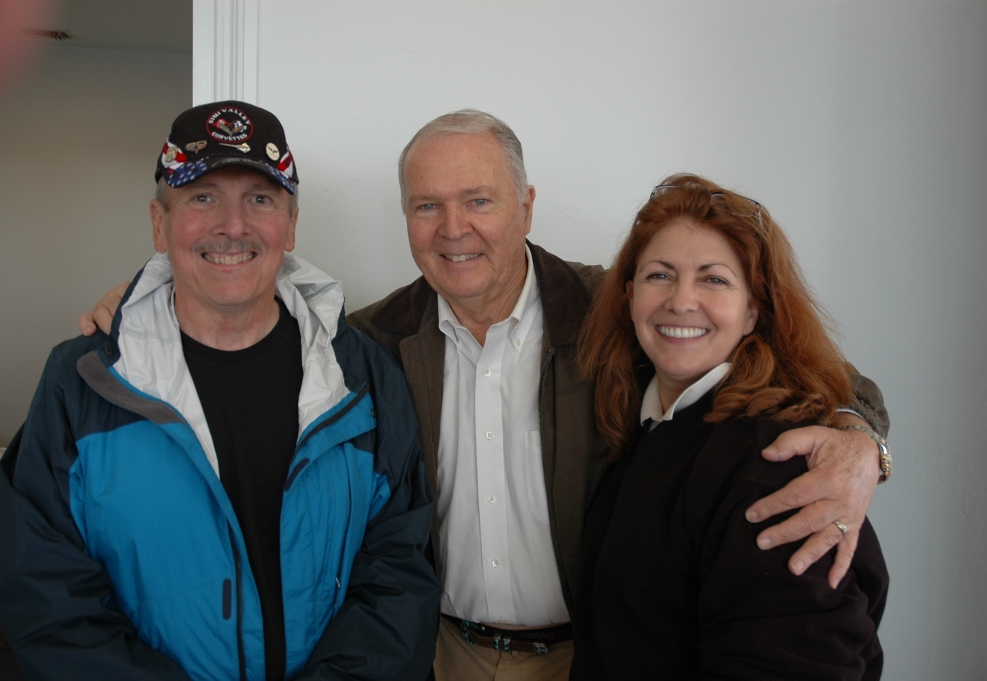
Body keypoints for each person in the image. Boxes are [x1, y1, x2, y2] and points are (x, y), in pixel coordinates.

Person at [80, 110, 890, 680]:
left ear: (525, 206)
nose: (452, 227)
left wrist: (861, 440)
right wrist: (152, 304)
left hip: (592, 655)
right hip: (441, 655)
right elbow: (250, 327)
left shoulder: (617, 309)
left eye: (479, 200)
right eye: (426, 206)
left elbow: (799, 374)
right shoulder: (368, 343)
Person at [0, 100, 439, 681]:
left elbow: (398, 571)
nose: (233, 225)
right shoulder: (82, 383)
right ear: (159, 223)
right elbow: (48, 599)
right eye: (202, 197)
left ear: (291, 224)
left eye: (260, 199)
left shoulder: (361, 375)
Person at [571, 174, 889, 679]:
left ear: (752, 312)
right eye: (660, 275)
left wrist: (863, 439)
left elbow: (799, 661)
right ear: (628, 296)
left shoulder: (773, 463)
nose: (681, 301)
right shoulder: (656, 426)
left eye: (714, 280)